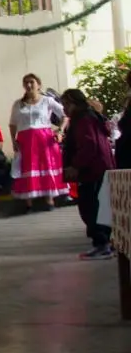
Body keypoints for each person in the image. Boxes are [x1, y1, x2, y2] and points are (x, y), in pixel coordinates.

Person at [60, 88, 115, 260]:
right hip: (101, 168)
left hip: (92, 171)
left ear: (73, 103)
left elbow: (89, 145)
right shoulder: (92, 116)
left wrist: (76, 166)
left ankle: (102, 245)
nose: (63, 109)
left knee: (90, 208)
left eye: (65, 104)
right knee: (99, 207)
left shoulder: (82, 119)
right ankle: (105, 244)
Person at [9, 74, 68, 210]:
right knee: (27, 167)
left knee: (46, 165)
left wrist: (60, 130)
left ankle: (49, 200)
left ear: (38, 85)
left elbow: (65, 115)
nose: (29, 85)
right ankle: (28, 203)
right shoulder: (18, 104)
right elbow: (12, 124)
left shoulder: (47, 101)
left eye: (32, 82)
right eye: (26, 83)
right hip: (25, 140)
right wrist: (13, 140)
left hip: (44, 139)